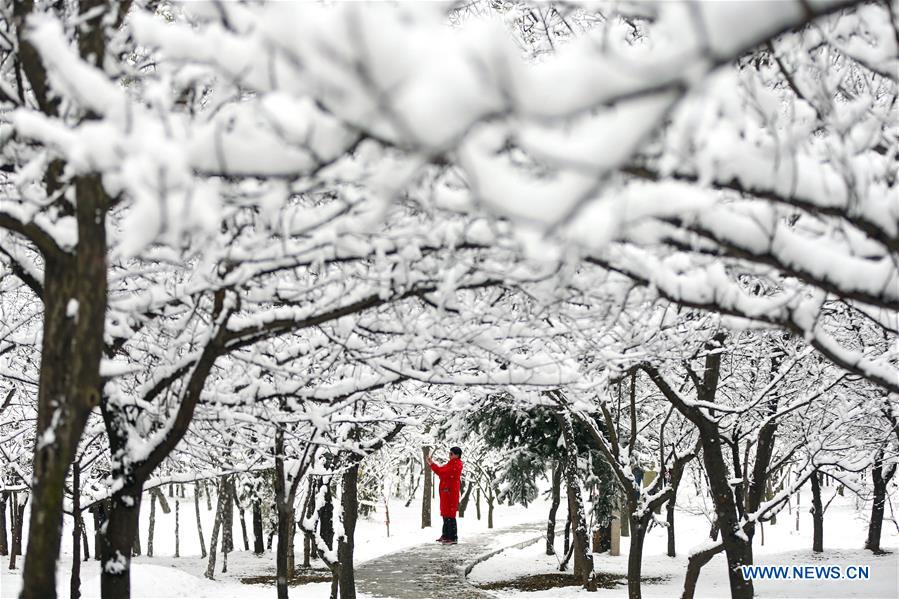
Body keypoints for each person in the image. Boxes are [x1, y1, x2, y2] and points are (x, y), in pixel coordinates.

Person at [427, 446, 463, 544]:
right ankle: (446, 535)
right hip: (446, 492)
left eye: (451, 454)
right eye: (449, 453)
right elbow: (441, 471)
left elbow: (442, 473)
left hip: (450, 492)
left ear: (457, 455)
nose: (449, 455)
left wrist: (432, 465)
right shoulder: (450, 464)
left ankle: (452, 536)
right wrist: (432, 464)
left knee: (450, 515)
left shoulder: (457, 464)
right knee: (445, 514)